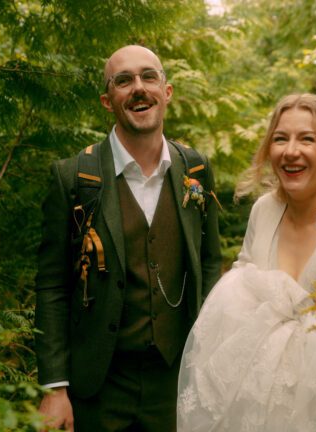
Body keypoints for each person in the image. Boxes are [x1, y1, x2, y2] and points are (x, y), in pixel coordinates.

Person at [176, 94, 316, 431]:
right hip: (262, 407)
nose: (290, 151)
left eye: (307, 138)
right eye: (280, 138)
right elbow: (237, 305)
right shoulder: (263, 212)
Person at [35, 45, 222, 431]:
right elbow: (52, 285)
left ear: (166, 92)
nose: (138, 88)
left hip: (176, 382)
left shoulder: (197, 170)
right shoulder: (73, 178)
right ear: (108, 100)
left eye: (148, 76)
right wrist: (55, 387)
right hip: (99, 386)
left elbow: (209, 263)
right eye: (124, 81)